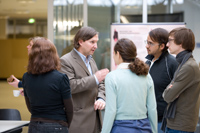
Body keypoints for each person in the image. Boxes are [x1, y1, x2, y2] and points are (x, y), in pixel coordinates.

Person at [60, 26, 109, 133]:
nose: (96, 46)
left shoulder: (92, 61)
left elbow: (101, 84)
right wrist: (95, 78)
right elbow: (70, 86)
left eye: (96, 42)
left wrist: (101, 98)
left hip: (95, 120)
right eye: (92, 42)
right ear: (81, 42)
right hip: (78, 122)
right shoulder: (65, 61)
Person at [102, 38, 157, 133]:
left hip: (121, 128)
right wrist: (154, 131)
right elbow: (152, 108)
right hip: (144, 128)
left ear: (118, 54)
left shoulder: (112, 77)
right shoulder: (145, 75)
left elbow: (111, 111)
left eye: (113, 53)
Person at [21, 37, 73, 133]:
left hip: (34, 125)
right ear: (53, 56)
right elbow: (69, 108)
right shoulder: (61, 78)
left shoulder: (26, 77)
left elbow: (29, 107)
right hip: (57, 125)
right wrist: (65, 124)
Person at [162, 27, 200, 133]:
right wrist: (170, 89)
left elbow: (168, 96)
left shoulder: (188, 66)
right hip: (176, 123)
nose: (167, 44)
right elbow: (168, 93)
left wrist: (170, 89)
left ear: (181, 43)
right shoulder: (183, 63)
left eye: (170, 40)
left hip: (180, 126)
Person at [145, 28, 178, 132]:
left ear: (162, 46)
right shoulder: (148, 62)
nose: (147, 46)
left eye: (150, 43)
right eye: (147, 42)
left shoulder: (172, 63)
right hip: (145, 119)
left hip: (162, 122)